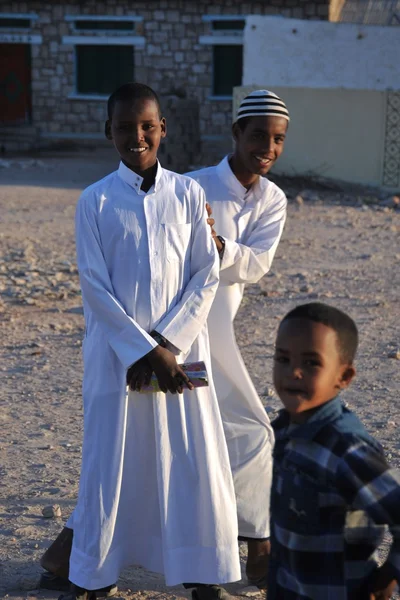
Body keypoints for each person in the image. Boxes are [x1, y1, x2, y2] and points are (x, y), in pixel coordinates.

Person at [40, 88, 290, 594]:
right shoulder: (95, 200)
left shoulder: (188, 194)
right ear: (107, 131)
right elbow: (95, 286)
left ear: (163, 129)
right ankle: (96, 574)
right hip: (118, 359)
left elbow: (206, 274)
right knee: (113, 461)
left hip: (183, 355)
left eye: (147, 127)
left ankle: (204, 576)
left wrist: (168, 345)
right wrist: (144, 350)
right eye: (125, 128)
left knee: (193, 459)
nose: (137, 137)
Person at [187, 90, 289, 588]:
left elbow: (256, 264)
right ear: (235, 134)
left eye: (278, 139)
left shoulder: (273, 199)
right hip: (181, 332)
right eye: (258, 136)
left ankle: (255, 545)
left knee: (249, 434)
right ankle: (252, 549)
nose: (267, 148)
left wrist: (221, 245)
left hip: (219, 336)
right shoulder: (191, 187)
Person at [269, 302, 400, 600]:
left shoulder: (346, 450)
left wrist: (389, 575)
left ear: (344, 377)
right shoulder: (282, 431)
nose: (294, 372)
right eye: (283, 358)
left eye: (312, 363)